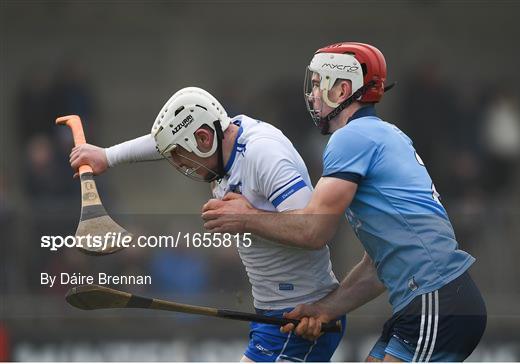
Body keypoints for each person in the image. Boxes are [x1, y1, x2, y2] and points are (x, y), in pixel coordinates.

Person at [201, 43, 487, 362]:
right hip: (434, 302)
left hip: (435, 301)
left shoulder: (351, 139)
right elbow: (378, 267)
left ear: (342, 89)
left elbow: (314, 231)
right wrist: (324, 310)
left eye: (317, 85)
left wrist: (245, 217)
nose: (311, 96)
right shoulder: (386, 134)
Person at [68, 86, 345, 362]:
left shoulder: (264, 154)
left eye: (183, 159)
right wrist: (107, 156)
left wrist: (248, 218)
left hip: (304, 318)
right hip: (273, 318)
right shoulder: (222, 136)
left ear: (203, 138)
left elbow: (313, 230)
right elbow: (162, 142)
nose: (184, 168)